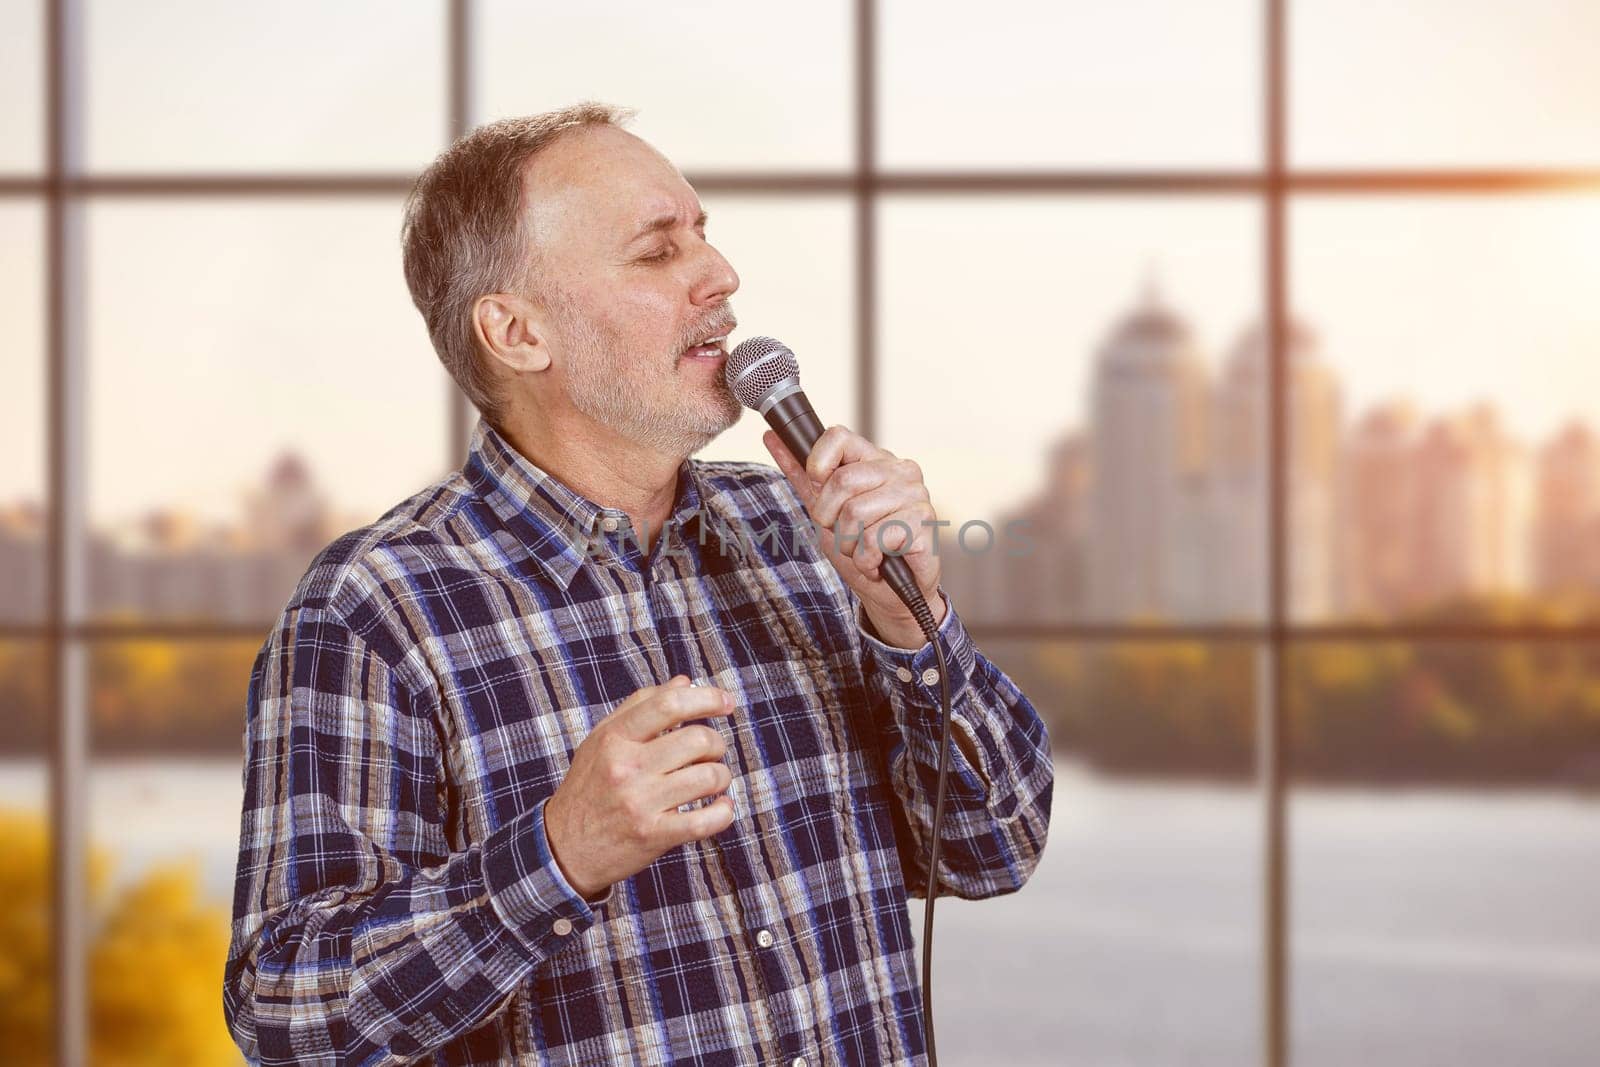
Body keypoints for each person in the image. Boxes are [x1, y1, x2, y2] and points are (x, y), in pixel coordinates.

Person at [223, 102, 1053, 1066]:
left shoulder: (803, 529)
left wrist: (908, 620)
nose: (721, 276)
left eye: (704, 234)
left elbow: (995, 848)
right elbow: (286, 1015)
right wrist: (558, 856)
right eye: (658, 253)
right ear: (519, 332)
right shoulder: (376, 609)